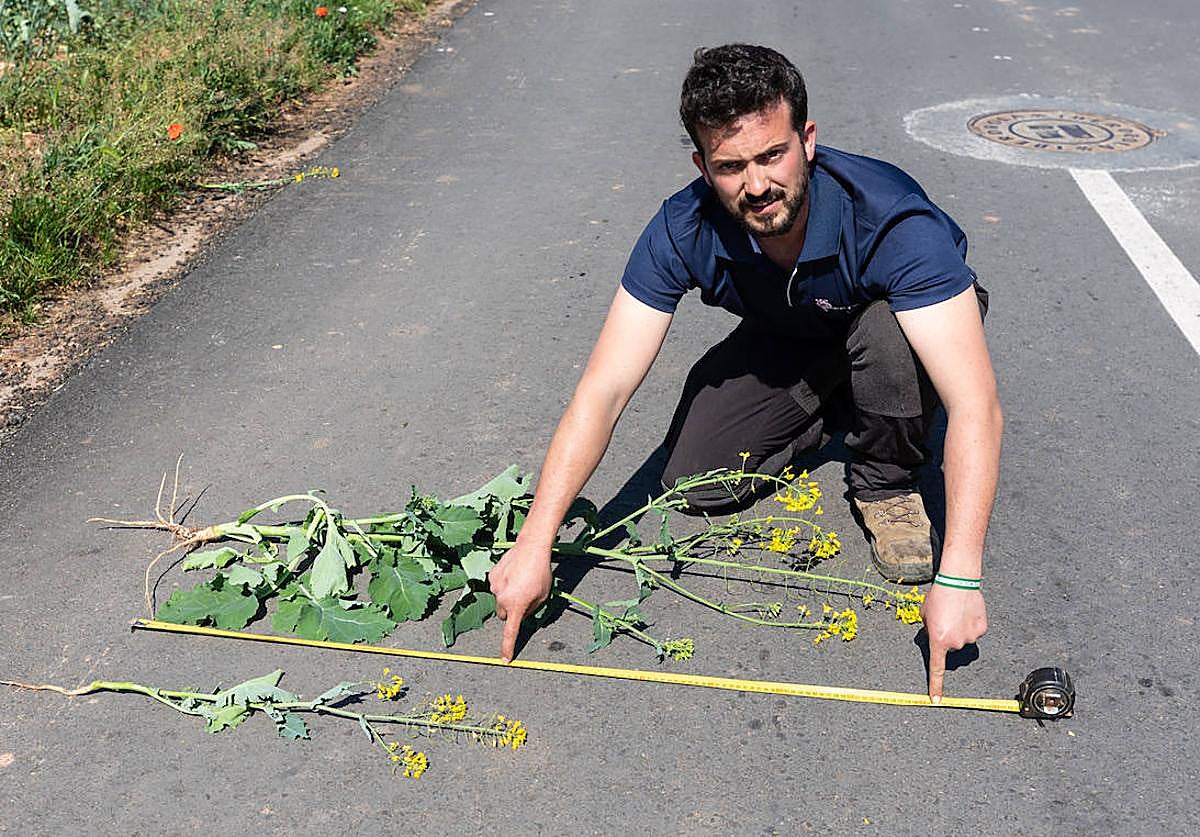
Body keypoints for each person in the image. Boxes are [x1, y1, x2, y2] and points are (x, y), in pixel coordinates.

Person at [488, 44, 1001, 701]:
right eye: (730, 166)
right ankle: (840, 395)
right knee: (693, 482)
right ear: (703, 166)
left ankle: (885, 477)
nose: (756, 186)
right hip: (793, 331)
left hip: (903, 320)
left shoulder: (893, 221)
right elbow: (604, 387)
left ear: (807, 141)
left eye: (772, 155)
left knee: (887, 335)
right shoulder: (682, 227)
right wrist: (536, 542)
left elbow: (975, 403)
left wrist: (959, 576)